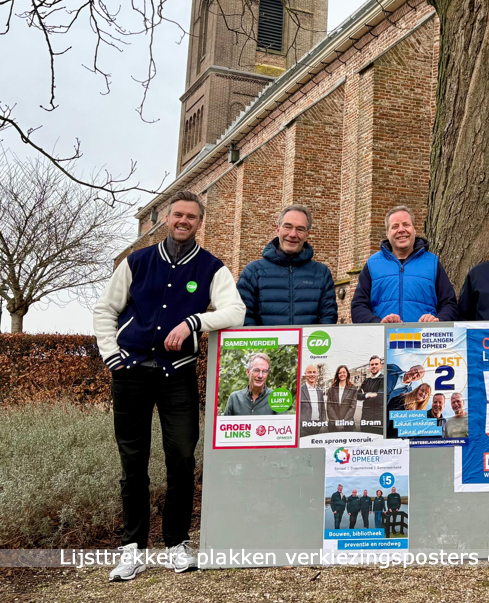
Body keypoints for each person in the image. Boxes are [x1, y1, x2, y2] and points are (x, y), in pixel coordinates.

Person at [93, 190, 245, 581]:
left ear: (200, 222)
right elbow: (105, 309)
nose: (183, 221)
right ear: (166, 218)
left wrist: (195, 322)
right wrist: (111, 355)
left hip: (177, 374)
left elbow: (236, 312)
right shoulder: (137, 261)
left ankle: (177, 542)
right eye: (178, 215)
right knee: (133, 462)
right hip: (130, 373)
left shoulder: (212, 267)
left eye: (191, 217)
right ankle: (133, 548)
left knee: (181, 458)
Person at [351, 206, 458, 324]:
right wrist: (379, 324)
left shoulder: (432, 263)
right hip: (383, 335)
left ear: (414, 230)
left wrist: (438, 321)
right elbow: (358, 307)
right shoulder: (372, 264)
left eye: (406, 225)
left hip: (423, 335)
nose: (401, 230)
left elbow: (449, 304)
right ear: (387, 233)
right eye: (395, 226)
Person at [236, 204, 337, 326]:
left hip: (308, 339)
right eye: (288, 227)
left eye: (300, 229)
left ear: (307, 235)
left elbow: (328, 317)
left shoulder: (321, 273)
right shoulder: (253, 272)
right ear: (278, 230)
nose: (293, 234)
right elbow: (244, 317)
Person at [325, 365, 358, 433]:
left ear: (347, 374)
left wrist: (344, 422)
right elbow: (329, 406)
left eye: (344, 372)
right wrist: (336, 422)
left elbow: (352, 407)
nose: (342, 374)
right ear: (337, 375)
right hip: (334, 425)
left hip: (347, 424)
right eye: (340, 373)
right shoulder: (331, 389)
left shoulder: (353, 388)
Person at [357, 355, 384, 433]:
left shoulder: (383, 380)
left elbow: (380, 398)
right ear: (369, 366)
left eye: (376, 364)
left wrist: (364, 395)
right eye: (372, 364)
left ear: (380, 365)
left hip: (378, 419)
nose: (374, 366)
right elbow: (357, 395)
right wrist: (368, 395)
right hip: (365, 419)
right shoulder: (366, 380)